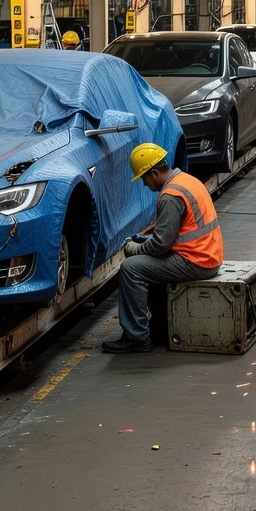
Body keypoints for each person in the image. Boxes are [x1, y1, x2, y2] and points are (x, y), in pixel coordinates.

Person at [102, 143, 224, 354]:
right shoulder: (185, 180)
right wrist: (143, 240)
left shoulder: (169, 196)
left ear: (155, 173)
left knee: (131, 268)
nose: (144, 184)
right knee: (148, 267)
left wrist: (133, 248)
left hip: (196, 261)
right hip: (206, 254)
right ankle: (161, 326)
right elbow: (174, 234)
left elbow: (160, 245)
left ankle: (136, 337)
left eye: (144, 178)